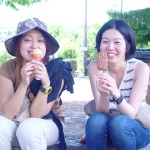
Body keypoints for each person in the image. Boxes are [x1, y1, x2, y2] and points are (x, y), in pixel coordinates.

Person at [0, 17, 74, 150]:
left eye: (40, 41)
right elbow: (7, 114)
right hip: (15, 122)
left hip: (46, 124)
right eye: (27, 40)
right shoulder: (8, 67)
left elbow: (37, 114)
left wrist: (46, 84)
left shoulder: (57, 70)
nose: (34, 45)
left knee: (28, 128)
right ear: (18, 44)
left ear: (46, 46)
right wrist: (23, 84)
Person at [85, 19, 150, 150]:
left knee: (119, 123)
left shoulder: (140, 68)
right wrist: (104, 95)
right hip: (108, 127)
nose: (110, 47)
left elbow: (131, 114)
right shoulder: (94, 67)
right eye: (105, 41)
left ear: (127, 45)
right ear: (99, 44)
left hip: (136, 128)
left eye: (117, 42)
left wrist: (115, 93)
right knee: (96, 120)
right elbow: (101, 111)